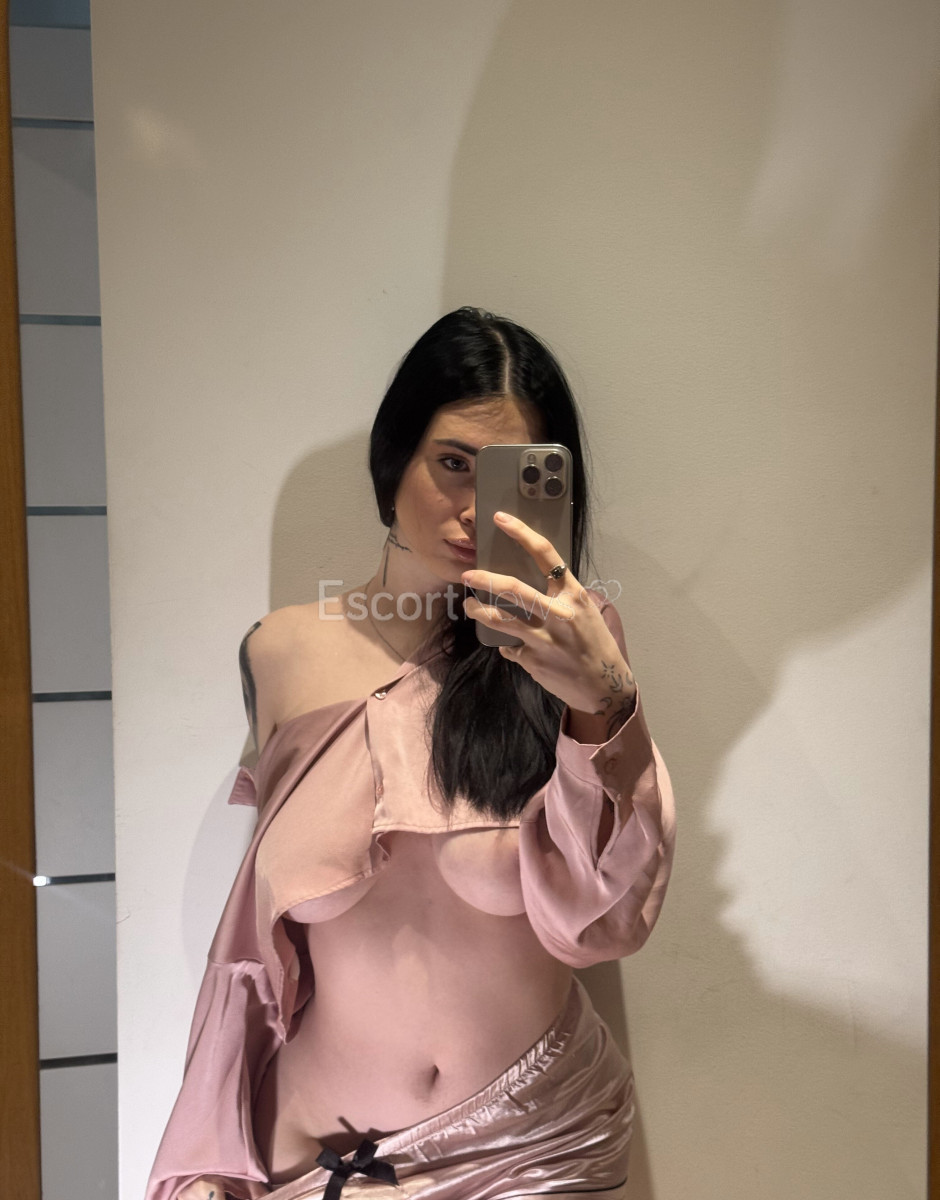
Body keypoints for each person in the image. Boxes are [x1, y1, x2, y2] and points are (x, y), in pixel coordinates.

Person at [145, 307, 677, 1200]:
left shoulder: (571, 654)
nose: (475, 510)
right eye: (454, 464)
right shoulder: (281, 654)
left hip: (534, 1151)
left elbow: (605, 923)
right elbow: (256, 955)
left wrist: (606, 705)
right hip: (317, 1159)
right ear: (394, 461)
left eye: (512, 476)